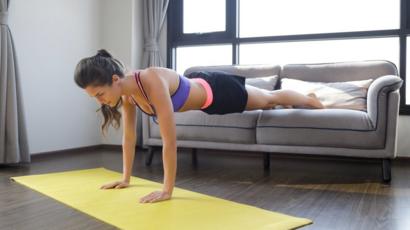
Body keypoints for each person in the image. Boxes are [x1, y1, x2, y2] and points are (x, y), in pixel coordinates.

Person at [74, 49, 324, 203]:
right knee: (265, 102)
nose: (100, 101)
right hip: (202, 90)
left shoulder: (150, 80)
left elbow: (170, 140)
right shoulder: (128, 96)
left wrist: (167, 191)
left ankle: (311, 100)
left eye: (99, 94)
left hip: (217, 91)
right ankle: (290, 103)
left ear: (115, 80)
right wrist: (126, 178)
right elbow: (129, 138)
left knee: (270, 98)